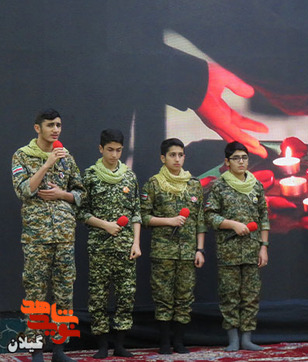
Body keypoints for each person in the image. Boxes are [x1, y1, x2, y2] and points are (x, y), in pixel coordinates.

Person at [11, 109, 85, 362]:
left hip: (64, 236)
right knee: (36, 294)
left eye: (59, 125)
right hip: (37, 238)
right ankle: (36, 350)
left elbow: (81, 194)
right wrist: (47, 164)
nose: (56, 130)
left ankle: (59, 350)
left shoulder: (67, 158)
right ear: (37, 128)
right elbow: (23, 191)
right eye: (50, 125)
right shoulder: (22, 155)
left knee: (64, 293)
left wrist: (63, 195)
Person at [79, 129, 141, 358]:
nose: (114, 155)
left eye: (118, 150)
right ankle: (102, 345)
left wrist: (136, 243)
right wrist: (105, 225)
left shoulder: (129, 176)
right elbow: (81, 212)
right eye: (110, 150)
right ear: (101, 149)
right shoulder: (90, 176)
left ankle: (120, 345)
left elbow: (136, 213)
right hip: (100, 246)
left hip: (126, 247)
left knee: (126, 295)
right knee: (98, 296)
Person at [140, 138, 206, 354]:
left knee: (184, 297)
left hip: (188, 252)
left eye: (180, 155)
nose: (177, 159)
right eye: (172, 155)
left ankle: (179, 342)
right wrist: (169, 221)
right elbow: (143, 217)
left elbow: (200, 220)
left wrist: (200, 249)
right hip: (163, 252)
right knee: (163, 298)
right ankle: (164, 342)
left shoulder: (193, 184)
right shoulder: (153, 184)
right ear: (163, 158)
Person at [204, 141, 270, 351]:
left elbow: (264, 217)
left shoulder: (256, 185)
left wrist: (264, 246)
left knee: (251, 295)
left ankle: (247, 338)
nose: (241, 162)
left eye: (244, 158)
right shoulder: (219, 186)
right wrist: (232, 224)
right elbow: (209, 216)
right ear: (227, 161)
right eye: (236, 158)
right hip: (228, 250)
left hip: (252, 250)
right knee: (229, 295)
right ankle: (233, 338)